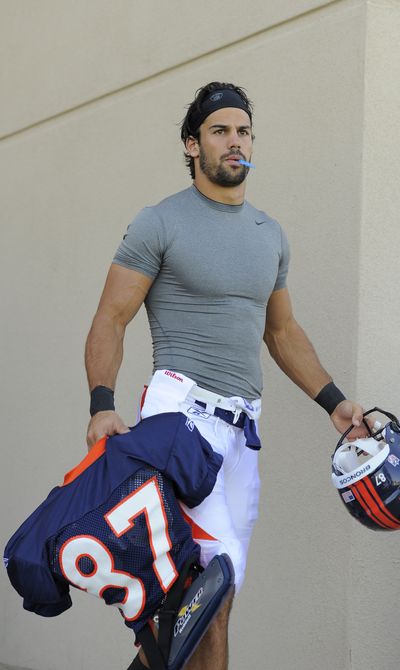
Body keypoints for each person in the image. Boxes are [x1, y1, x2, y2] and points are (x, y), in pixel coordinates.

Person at [85, 82, 367, 670]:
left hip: (243, 431)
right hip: (181, 422)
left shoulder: (270, 234)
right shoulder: (159, 222)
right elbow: (111, 318)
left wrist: (334, 403)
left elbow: (282, 332)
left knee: (208, 603)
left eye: (243, 131)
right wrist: (102, 404)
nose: (234, 142)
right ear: (193, 144)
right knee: (204, 600)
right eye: (220, 131)